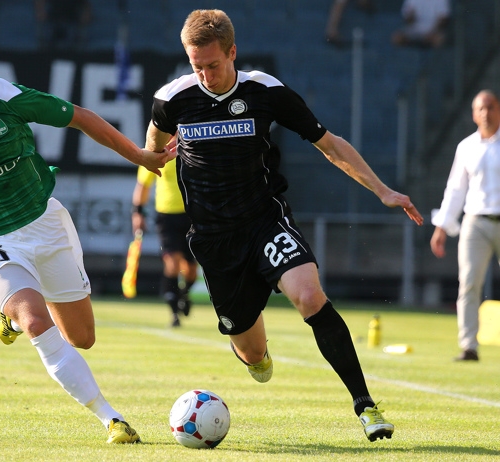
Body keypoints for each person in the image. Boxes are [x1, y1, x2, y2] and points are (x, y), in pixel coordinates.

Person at [145, 9, 424, 442]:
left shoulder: (265, 91)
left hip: (264, 222)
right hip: (216, 241)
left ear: (232, 52)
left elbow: (328, 144)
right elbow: (154, 143)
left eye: (213, 65)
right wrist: (155, 156)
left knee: (310, 295)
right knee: (252, 353)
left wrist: (382, 190)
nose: (204, 75)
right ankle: (256, 354)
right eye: (196, 66)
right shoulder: (171, 99)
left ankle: (366, 407)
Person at [0, 39, 173, 444]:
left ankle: (11, 313)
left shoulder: (6, 96)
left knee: (82, 338)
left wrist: (138, 155)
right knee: (38, 322)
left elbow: (81, 117)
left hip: (46, 223)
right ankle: (111, 419)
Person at [430, 90, 500, 362]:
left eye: (491, 107)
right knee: (469, 284)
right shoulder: (466, 146)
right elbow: (455, 189)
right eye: (481, 108)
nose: (486, 113)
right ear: (473, 114)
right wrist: (441, 228)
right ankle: (469, 345)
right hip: (475, 222)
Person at [131, 149, 198, 328]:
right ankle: (174, 312)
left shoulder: (191, 149)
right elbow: (143, 185)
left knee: (191, 270)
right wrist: (138, 213)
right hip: (166, 217)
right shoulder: (155, 152)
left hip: (192, 216)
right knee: (173, 263)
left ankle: (183, 294)